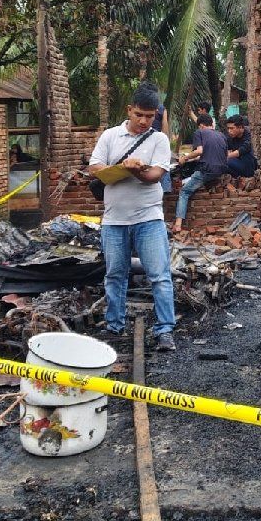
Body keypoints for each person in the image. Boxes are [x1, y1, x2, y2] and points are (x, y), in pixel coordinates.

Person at [89, 85, 177, 352]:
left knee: (159, 276)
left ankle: (165, 330)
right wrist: (122, 168)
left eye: (150, 116)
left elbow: (154, 177)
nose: (144, 121)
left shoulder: (159, 140)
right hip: (114, 221)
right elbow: (94, 167)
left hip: (149, 219)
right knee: (115, 275)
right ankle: (115, 325)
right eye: (139, 114)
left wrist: (137, 170)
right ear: (129, 110)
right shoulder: (110, 136)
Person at [173, 114, 228, 232]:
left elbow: (199, 151)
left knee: (184, 192)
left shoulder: (199, 133)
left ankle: (178, 224)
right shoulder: (221, 135)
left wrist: (185, 158)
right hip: (221, 170)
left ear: (201, 126)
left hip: (207, 170)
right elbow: (215, 154)